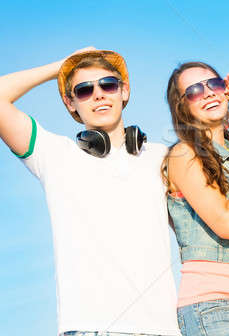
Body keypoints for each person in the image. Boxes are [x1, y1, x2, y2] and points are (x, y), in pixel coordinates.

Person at [0, 48, 180, 335]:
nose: (98, 94)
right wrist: (62, 65)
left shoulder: (162, 158)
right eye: (84, 90)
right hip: (87, 327)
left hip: (163, 329)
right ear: (70, 103)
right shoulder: (54, 155)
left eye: (108, 84)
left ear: (124, 91)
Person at [163, 62, 229, 335]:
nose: (208, 93)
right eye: (195, 90)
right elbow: (228, 225)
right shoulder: (183, 155)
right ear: (182, 107)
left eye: (215, 85)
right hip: (211, 307)